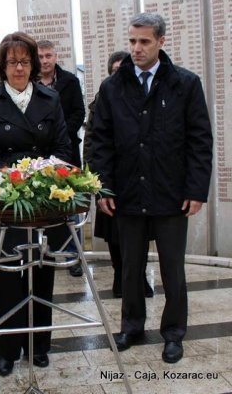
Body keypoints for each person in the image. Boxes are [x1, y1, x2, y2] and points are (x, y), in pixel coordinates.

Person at [92, 12, 213, 364]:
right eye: (132, 41)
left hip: (172, 194)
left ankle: (173, 333)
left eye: (144, 41)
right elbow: (101, 142)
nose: (136, 48)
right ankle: (132, 326)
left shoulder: (185, 84)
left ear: (161, 41)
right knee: (130, 267)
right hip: (127, 194)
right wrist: (105, 189)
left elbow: (199, 140)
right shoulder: (112, 87)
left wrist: (196, 190)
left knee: (172, 269)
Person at [0, 32, 71, 376]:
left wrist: (46, 175)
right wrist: (5, 176)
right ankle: (8, 348)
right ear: (2, 66)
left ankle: (39, 345)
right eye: (12, 62)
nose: (19, 68)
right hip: (6, 201)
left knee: (42, 271)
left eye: (25, 61)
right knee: (9, 276)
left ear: (34, 64)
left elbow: (64, 146)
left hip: (43, 200)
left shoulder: (50, 98)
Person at [83, 50, 154, 298]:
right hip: (109, 178)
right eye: (114, 70)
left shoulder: (143, 99)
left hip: (138, 179)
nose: (119, 74)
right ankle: (119, 275)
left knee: (141, 232)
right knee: (114, 233)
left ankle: (140, 276)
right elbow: (91, 141)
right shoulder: (102, 99)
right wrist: (96, 178)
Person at [37, 40, 86, 277]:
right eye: (41, 56)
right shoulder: (30, 83)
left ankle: (74, 256)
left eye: (48, 56)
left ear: (56, 56)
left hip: (66, 151)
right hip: (39, 155)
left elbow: (79, 112)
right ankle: (46, 253)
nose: (44, 61)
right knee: (42, 203)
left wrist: (62, 134)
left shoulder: (70, 81)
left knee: (70, 204)